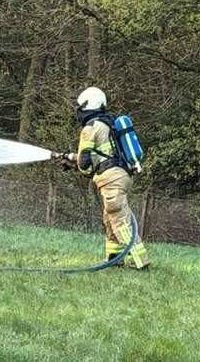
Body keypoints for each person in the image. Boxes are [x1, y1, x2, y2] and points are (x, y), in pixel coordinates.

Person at [60, 87, 150, 269]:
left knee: (119, 219)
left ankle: (140, 261)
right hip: (121, 174)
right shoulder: (108, 123)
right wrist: (71, 159)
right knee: (110, 218)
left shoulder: (90, 127)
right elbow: (99, 156)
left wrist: (77, 164)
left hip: (111, 178)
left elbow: (85, 163)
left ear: (88, 105)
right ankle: (114, 258)